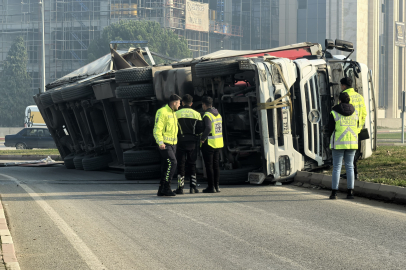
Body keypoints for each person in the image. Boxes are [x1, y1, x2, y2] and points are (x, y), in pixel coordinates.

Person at [327, 92, 359, 199]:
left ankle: (334, 193)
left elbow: (330, 129)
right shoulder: (355, 112)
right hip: (352, 143)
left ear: (339, 100)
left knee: (337, 167)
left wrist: (328, 138)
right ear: (349, 100)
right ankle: (350, 192)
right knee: (350, 167)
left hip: (339, 144)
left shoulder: (334, 112)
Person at [174, 94, 203, 194]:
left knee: (181, 165)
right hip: (192, 143)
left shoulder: (176, 114)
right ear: (191, 103)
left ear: (182, 103)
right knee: (192, 164)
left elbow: (174, 128)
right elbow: (200, 129)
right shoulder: (197, 114)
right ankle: (193, 187)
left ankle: (180, 188)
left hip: (180, 142)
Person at [153, 94, 182, 197]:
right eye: (178, 103)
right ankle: (167, 187)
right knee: (173, 163)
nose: (179, 105)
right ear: (174, 103)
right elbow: (157, 129)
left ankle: (161, 189)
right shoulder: (162, 112)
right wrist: (160, 142)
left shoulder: (173, 113)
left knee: (166, 165)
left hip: (173, 144)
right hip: (165, 144)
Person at [339, 77, 366, 180]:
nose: (341, 87)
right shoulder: (359, 96)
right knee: (354, 153)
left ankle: (352, 174)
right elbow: (364, 113)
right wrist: (359, 126)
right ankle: (354, 173)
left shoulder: (344, 96)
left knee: (348, 154)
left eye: (341, 85)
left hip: (348, 129)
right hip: (357, 129)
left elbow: (340, 112)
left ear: (344, 86)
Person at [200, 96, 224, 193]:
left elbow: (209, 128)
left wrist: (202, 138)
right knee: (216, 166)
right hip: (218, 143)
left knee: (209, 166)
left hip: (209, 143)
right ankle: (217, 186)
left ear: (204, 105)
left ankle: (211, 187)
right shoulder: (218, 115)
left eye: (202, 105)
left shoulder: (207, 115)